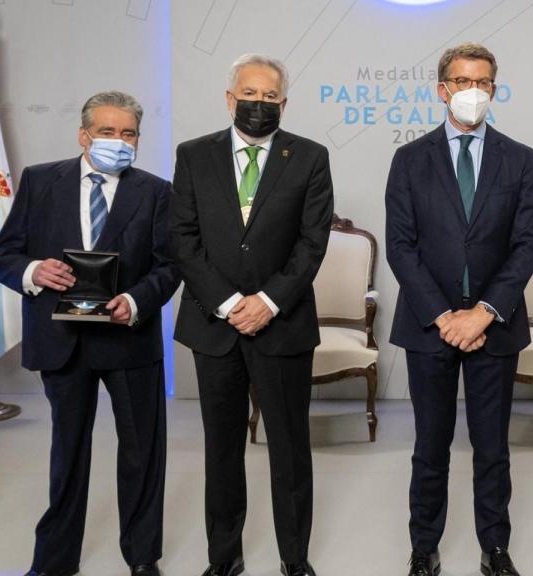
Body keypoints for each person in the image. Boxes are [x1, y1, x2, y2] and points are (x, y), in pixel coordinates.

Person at [0, 91, 178, 576]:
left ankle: (142, 558)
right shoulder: (40, 181)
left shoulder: (156, 191)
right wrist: (33, 271)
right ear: (83, 135)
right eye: (107, 131)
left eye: (128, 133)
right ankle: (55, 560)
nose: (119, 141)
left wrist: (135, 300)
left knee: (142, 454)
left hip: (129, 340)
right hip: (61, 342)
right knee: (67, 454)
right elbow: (1, 255)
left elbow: (170, 265)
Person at [170, 54, 333, 576]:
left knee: (290, 448)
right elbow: (184, 239)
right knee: (221, 449)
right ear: (229, 99)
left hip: (282, 324)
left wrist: (267, 302)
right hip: (213, 325)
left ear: (284, 103)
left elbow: (312, 242)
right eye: (249, 94)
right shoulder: (193, 155)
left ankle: (294, 558)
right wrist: (227, 303)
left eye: (269, 97)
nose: (258, 104)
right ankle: (224, 557)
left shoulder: (309, 157)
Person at [385, 42, 533, 576]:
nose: (472, 91)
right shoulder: (410, 159)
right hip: (428, 326)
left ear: (493, 89)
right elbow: (401, 246)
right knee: (430, 445)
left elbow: (525, 245)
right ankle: (423, 546)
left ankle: (494, 547)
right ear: (442, 90)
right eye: (461, 81)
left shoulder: (519, 159)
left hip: (494, 327)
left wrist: (484, 312)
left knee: (492, 446)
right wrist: (445, 316)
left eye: (482, 83)